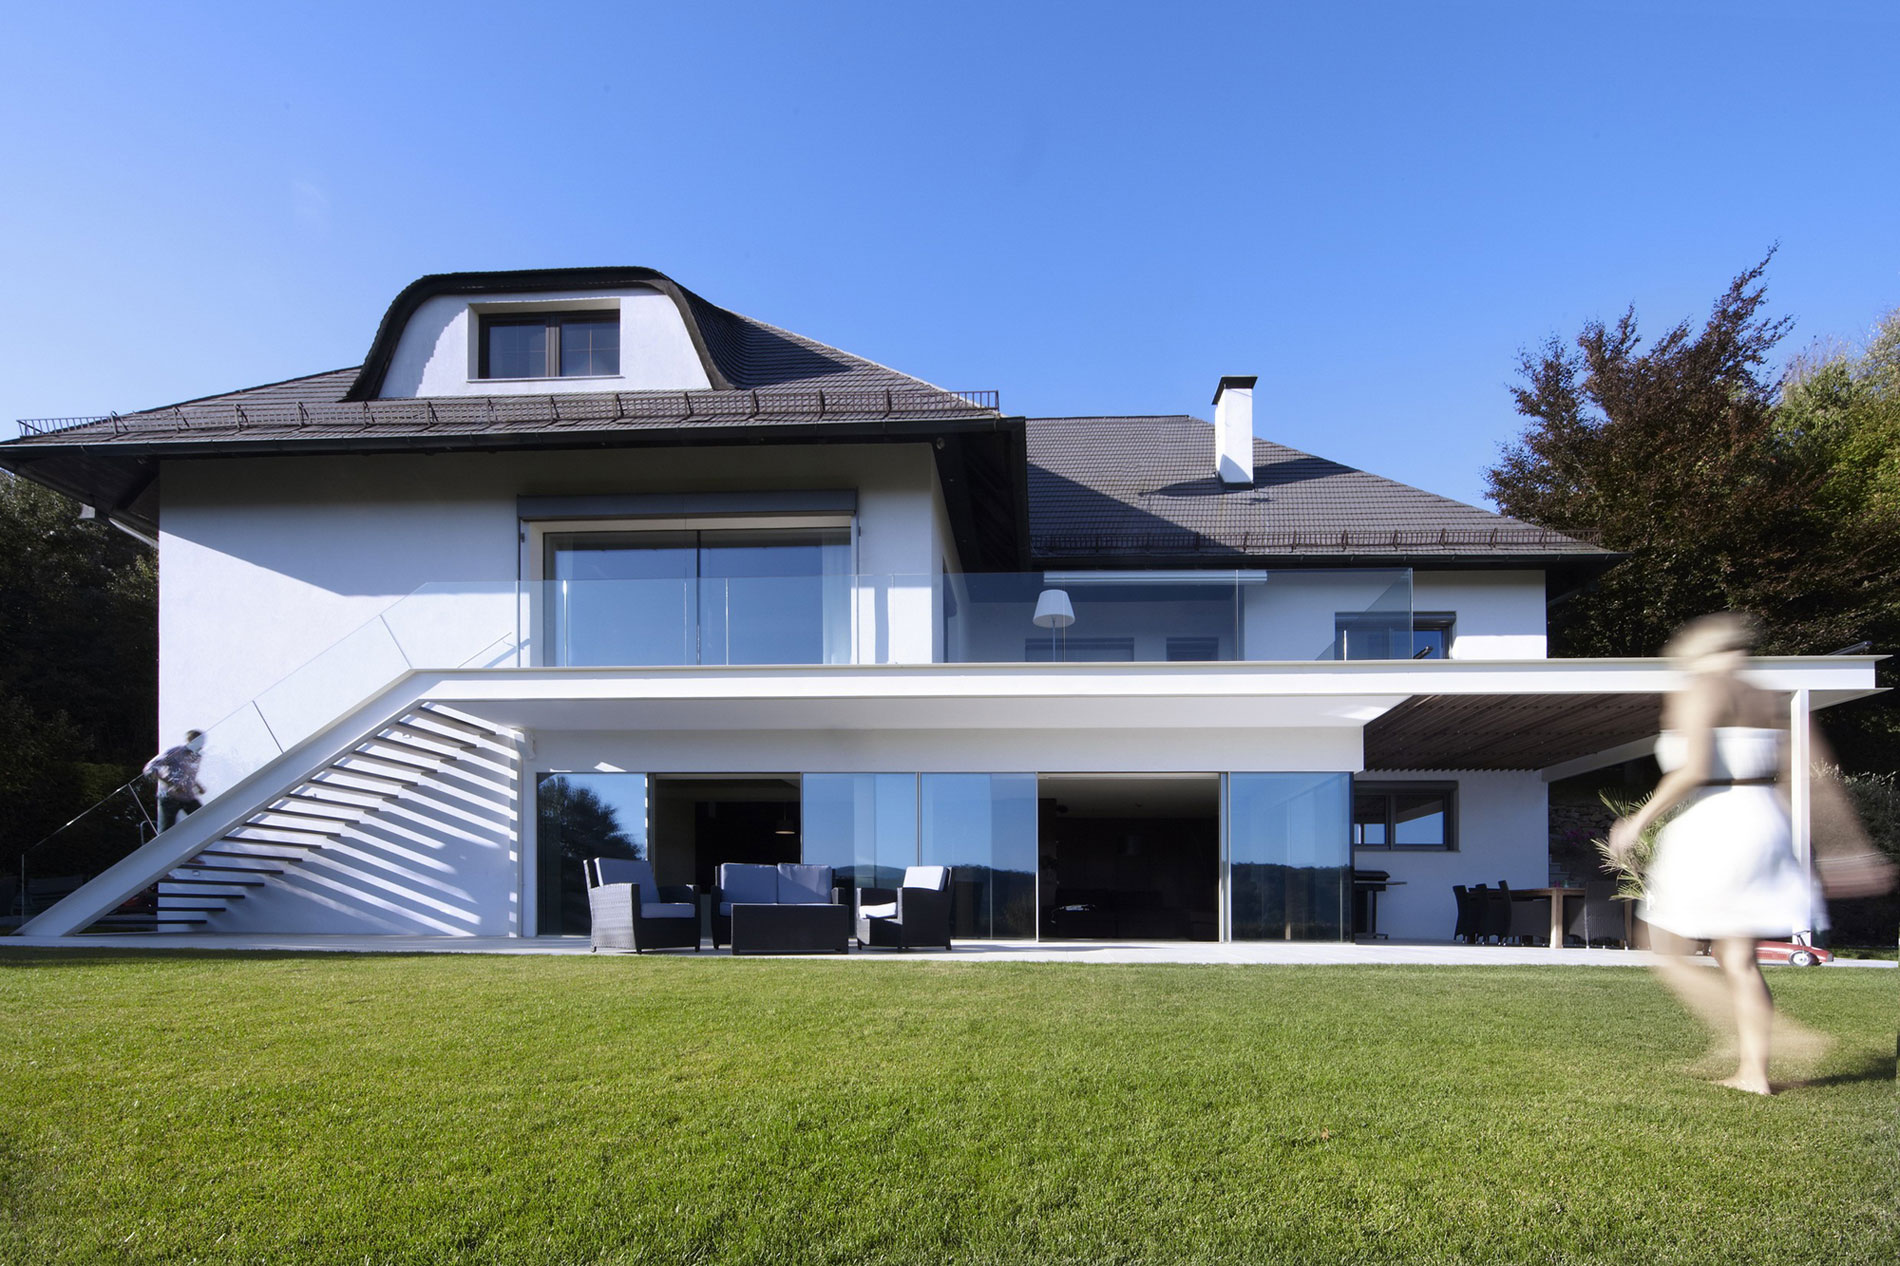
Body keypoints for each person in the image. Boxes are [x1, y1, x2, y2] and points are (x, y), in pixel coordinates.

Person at [1608, 613, 1822, 1095]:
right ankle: (1754, 1073)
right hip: (1764, 820)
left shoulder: (1700, 689)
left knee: (1663, 946)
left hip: (1716, 822)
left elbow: (1692, 769)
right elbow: (1796, 770)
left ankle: (1780, 1038)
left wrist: (1636, 821)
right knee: (1737, 956)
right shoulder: (1764, 695)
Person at [144, 729, 207, 832]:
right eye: (199, 742)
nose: (201, 745)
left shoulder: (196, 756)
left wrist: (197, 785)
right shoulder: (175, 752)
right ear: (190, 740)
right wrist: (171, 784)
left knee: (205, 819)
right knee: (166, 831)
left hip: (187, 796)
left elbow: (187, 774)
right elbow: (150, 768)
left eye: (202, 742)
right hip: (169, 797)